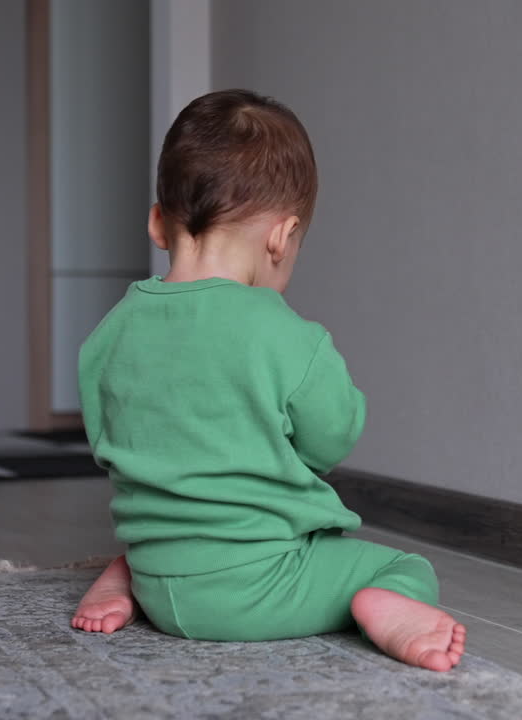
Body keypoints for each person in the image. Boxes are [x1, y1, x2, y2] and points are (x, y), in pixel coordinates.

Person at [71, 90, 466, 672]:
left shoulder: (109, 333)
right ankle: (388, 607)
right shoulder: (283, 334)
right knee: (403, 567)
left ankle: (127, 573)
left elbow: (112, 445)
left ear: (158, 222)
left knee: (166, 532)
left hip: (163, 581)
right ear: (282, 236)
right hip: (258, 590)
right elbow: (332, 440)